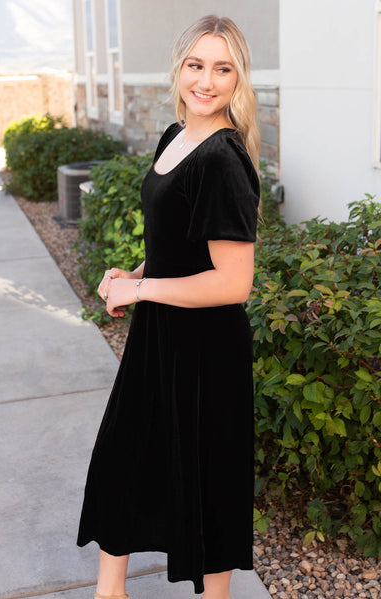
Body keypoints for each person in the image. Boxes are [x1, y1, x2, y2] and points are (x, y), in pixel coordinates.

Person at [77, 14, 261, 599]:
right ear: (179, 68)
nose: (206, 81)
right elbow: (175, 243)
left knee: (205, 483)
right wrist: (133, 274)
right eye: (196, 65)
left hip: (206, 350)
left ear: (239, 80)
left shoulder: (224, 160)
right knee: (125, 461)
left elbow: (233, 283)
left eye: (222, 68)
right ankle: (110, 592)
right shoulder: (176, 136)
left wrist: (143, 290)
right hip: (161, 333)